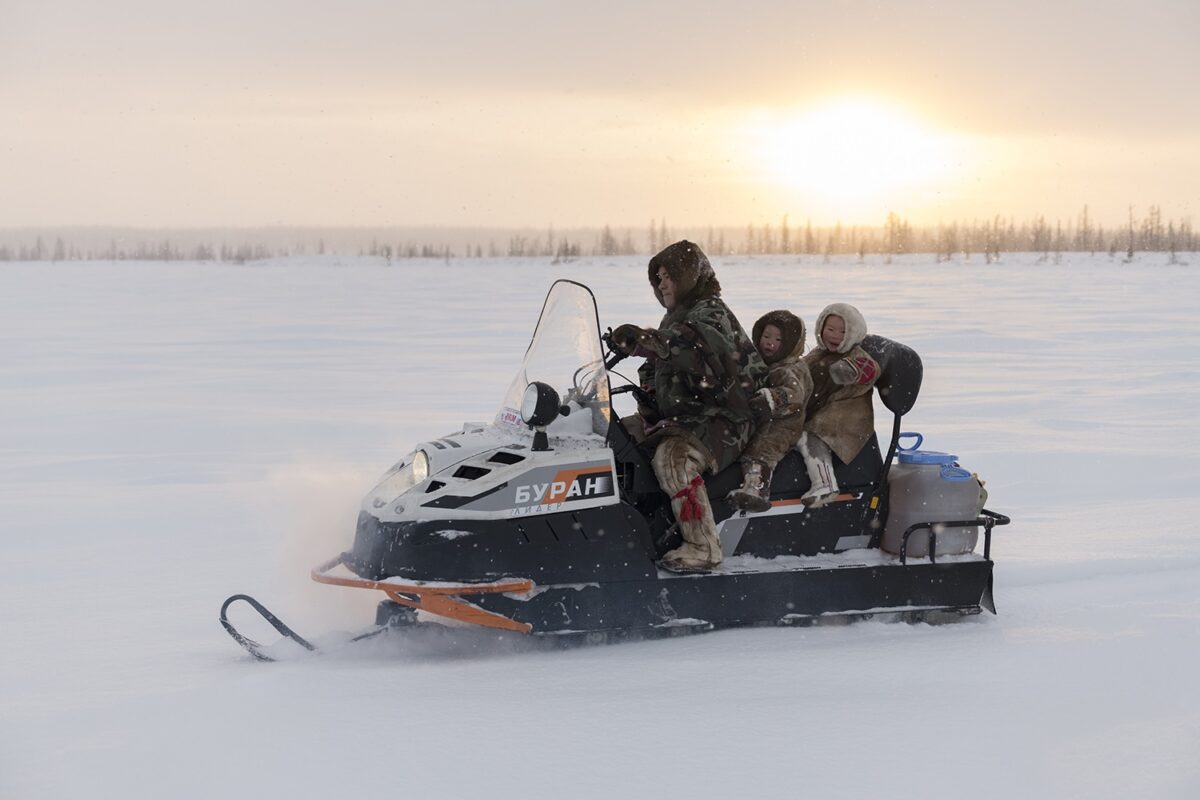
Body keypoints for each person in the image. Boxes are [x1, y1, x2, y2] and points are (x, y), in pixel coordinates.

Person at [610, 240, 766, 571]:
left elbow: (695, 347)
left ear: (689, 277)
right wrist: (648, 386)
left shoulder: (711, 312)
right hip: (689, 415)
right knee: (613, 437)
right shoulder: (675, 319)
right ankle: (622, 527)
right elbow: (666, 363)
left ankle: (703, 545)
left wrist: (649, 341)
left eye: (669, 276)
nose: (662, 283)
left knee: (674, 459)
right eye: (658, 277)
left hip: (728, 418)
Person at [726, 310, 813, 512]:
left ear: (790, 344)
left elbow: (794, 394)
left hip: (784, 425)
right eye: (766, 336)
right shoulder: (762, 363)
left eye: (778, 339)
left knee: (761, 450)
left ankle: (757, 490)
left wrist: (770, 399)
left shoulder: (789, 369)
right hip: (765, 419)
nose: (770, 342)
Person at [800, 302, 880, 506]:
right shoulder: (818, 354)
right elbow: (801, 370)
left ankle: (825, 484)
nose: (835, 335)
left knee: (809, 435)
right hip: (823, 412)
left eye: (843, 331)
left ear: (853, 334)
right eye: (830, 329)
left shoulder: (856, 355)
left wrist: (849, 371)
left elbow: (870, 370)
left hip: (845, 420)